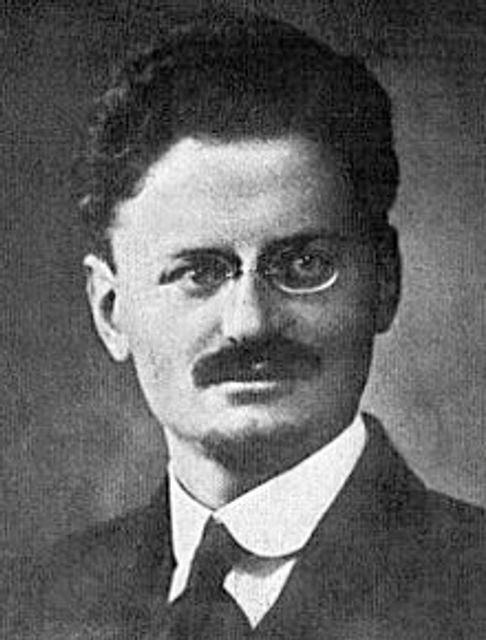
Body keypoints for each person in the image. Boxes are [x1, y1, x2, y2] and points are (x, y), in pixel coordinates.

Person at [4, 8, 485, 640]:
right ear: (110, 311)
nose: (250, 324)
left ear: (385, 282)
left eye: (304, 265)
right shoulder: (28, 606)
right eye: (199, 272)